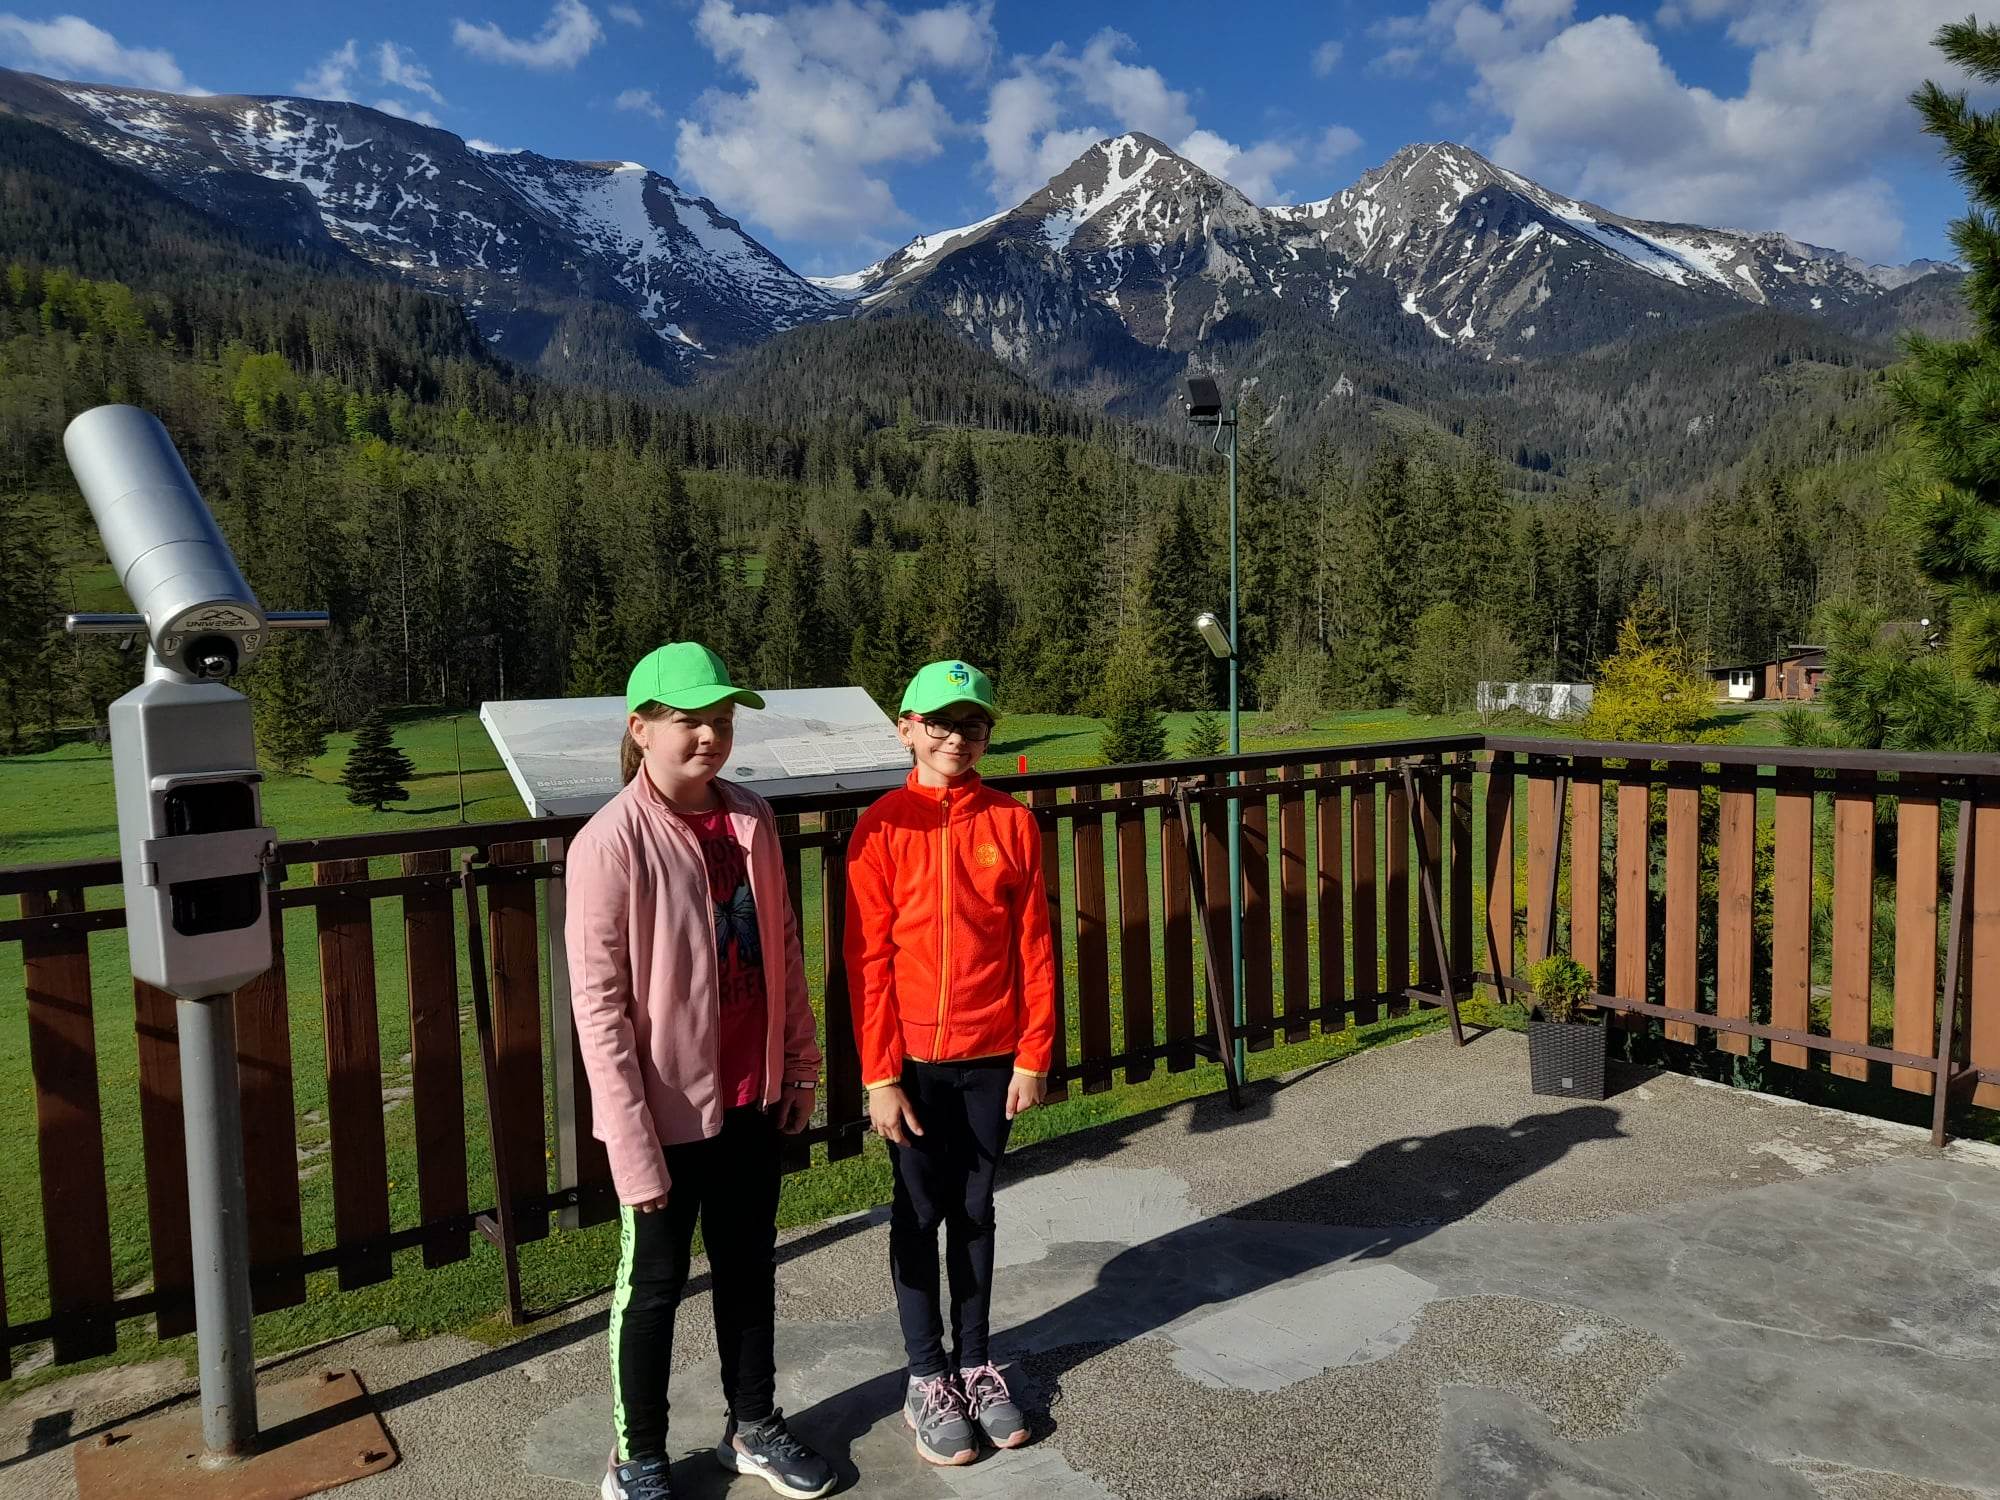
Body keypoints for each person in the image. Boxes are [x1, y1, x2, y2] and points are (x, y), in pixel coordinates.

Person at [566, 642, 836, 1500]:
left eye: (721, 721)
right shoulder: (610, 842)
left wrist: (800, 1068)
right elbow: (599, 1008)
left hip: (752, 1097)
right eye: (689, 721)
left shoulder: (750, 817)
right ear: (641, 728)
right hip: (665, 1117)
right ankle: (638, 1456)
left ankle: (752, 1426)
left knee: (748, 1267)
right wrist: (630, 1144)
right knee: (652, 1288)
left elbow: (783, 948)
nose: (710, 737)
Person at [843, 659, 1057, 1468]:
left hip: (993, 1057)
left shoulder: (1011, 822)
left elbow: (1035, 947)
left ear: (987, 735)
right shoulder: (881, 827)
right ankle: (925, 1374)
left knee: (974, 1210)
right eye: (939, 722)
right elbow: (867, 962)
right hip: (912, 1067)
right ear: (907, 728)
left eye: (972, 725)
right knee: (918, 1212)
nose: (955, 738)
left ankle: (973, 1362)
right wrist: (879, 1076)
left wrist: (1033, 1055)